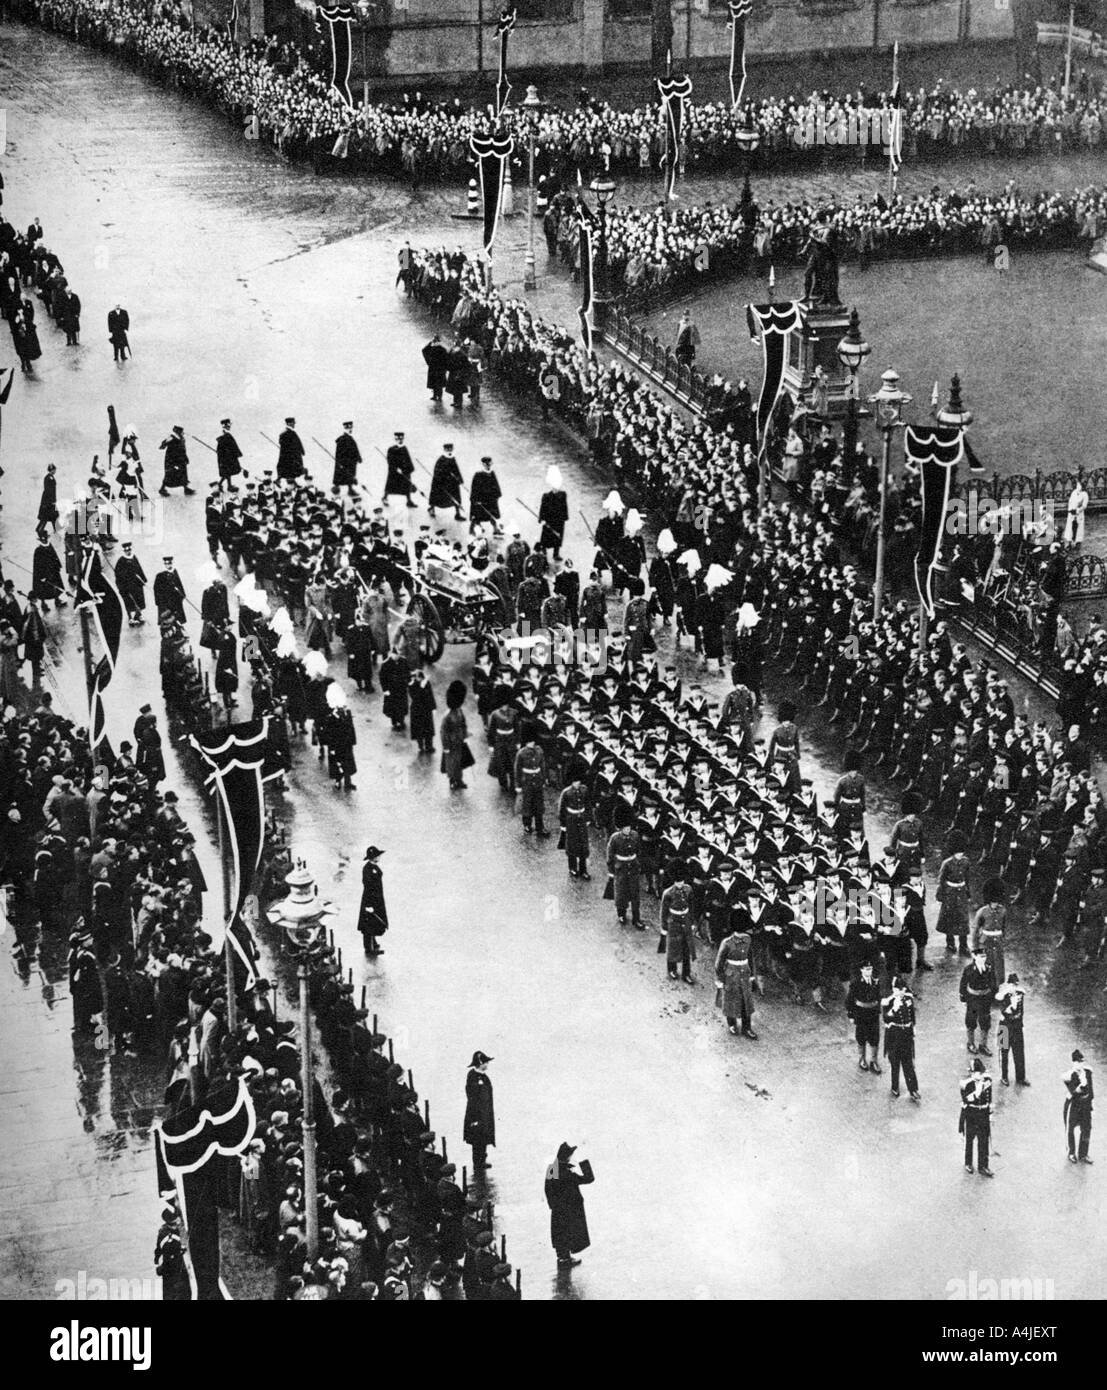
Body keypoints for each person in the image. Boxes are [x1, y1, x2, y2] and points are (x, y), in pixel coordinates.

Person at [544, 1142, 594, 1269]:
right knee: (568, 1233)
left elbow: (547, 1189)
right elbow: (588, 1179)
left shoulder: (552, 1169)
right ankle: (565, 1260)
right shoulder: (568, 1174)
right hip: (569, 1209)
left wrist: (553, 1205)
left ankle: (563, 1258)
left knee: (559, 1234)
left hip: (558, 1210)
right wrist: (583, 1163)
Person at [714, 925, 757, 1038]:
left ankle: (746, 1028)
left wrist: (752, 975)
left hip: (745, 974)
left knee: (746, 1001)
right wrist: (721, 978)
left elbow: (750, 957)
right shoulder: (727, 943)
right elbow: (718, 964)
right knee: (731, 1000)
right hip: (731, 975)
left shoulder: (748, 939)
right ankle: (732, 1024)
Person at [882, 976, 920, 1101]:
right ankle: (895, 1087)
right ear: (893, 989)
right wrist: (894, 1009)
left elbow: (911, 1014)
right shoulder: (888, 1002)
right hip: (894, 1035)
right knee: (895, 1063)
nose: (900, 992)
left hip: (906, 1034)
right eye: (898, 990)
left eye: (902, 989)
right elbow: (886, 1019)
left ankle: (913, 1089)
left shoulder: (908, 999)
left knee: (908, 1063)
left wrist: (913, 1026)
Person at [960, 1058, 995, 1176]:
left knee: (983, 1140)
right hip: (972, 1114)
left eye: (980, 1073)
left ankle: (983, 1166)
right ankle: (968, 1163)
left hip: (983, 1113)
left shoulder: (987, 1082)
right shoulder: (966, 1085)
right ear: (971, 1073)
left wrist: (990, 1114)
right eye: (976, 1073)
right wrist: (978, 1090)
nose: (978, 1075)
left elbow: (989, 1099)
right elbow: (967, 1099)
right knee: (970, 1139)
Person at [960, 947, 997, 1056]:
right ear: (974, 957)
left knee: (985, 1022)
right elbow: (963, 984)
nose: (983, 959)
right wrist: (963, 998)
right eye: (981, 957)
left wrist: (992, 995)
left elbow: (993, 981)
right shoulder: (969, 969)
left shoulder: (988, 968)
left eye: (984, 956)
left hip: (985, 998)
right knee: (971, 1021)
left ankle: (983, 1045)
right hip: (973, 998)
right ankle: (970, 1043)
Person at [846, 960, 881, 1072]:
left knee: (874, 1037)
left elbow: (879, 997)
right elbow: (849, 1001)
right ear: (861, 970)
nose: (868, 971)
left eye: (870, 969)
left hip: (873, 1014)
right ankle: (862, 1059)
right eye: (866, 969)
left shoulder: (875, 981)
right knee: (861, 1037)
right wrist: (851, 1015)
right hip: (861, 1014)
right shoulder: (856, 983)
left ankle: (874, 1061)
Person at [995, 973, 1029, 1087]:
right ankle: (1003, 1077)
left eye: (1016, 985)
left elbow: (1020, 1011)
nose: (1014, 987)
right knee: (1003, 1054)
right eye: (1012, 985)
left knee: (1019, 1053)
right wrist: (1009, 996)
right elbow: (1005, 1010)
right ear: (1008, 985)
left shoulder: (1020, 994)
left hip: (1017, 1026)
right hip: (1003, 1027)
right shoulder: (1003, 996)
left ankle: (1021, 1077)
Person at [463, 1051, 495, 1173]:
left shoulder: (484, 1077)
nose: (487, 1064)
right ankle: (478, 1163)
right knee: (477, 1139)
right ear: (480, 1063)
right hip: (476, 1115)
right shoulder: (472, 1076)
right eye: (486, 1062)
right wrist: (474, 1118)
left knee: (484, 1137)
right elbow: (472, 1098)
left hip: (485, 1114)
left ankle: (482, 1159)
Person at [514, 733, 549, 836]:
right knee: (527, 804)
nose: (532, 744)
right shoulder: (521, 753)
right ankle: (527, 825)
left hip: (537, 780)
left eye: (533, 742)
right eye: (529, 742)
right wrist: (518, 786)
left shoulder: (539, 750)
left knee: (539, 805)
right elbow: (517, 770)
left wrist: (544, 778)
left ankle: (540, 827)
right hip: (526, 782)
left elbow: (542, 765)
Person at [1064, 1049, 1094, 1164]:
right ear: (1073, 1063)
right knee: (1070, 1129)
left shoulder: (1088, 1072)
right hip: (1074, 1105)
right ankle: (1071, 1153)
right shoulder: (1071, 1075)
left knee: (1086, 1128)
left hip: (1085, 1105)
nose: (1080, 1064)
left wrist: (1090, 1103)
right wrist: (1082, 1085)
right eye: (1077, 1062)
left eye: (1081, 1062)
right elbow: (1073, 1092)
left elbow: (1091, 1091)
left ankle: (1083, 1154)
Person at [440, 679, 471, 790]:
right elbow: (443, 732)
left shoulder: (459, 711)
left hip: (459, 741)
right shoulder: (447, 716)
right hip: (451, 742)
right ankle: (452, 781)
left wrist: (465, 735)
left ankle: (459, 780)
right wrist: (446, 746)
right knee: (451, 764)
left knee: (459, 762)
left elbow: (463, 724)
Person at [357, 845, 388, 955]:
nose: (380, 857)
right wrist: (369, 905)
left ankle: (373, 943)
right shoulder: (368, 869)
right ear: (373, 857)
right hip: (370, 900)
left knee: (374, 922)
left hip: (377, 899)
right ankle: (369, 948)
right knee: (368, 924)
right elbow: (368, 886)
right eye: (378, 855)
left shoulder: (373, 867)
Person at [538, 466, 569, 558]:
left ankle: (556, 553)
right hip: (549, 520)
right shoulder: (546, 496)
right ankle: (543, 549)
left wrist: (564, 518)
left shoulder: (563, 495)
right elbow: (542, 508)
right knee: (546, 537)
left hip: (559, 521)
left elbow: (564, 507)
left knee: (558, 538)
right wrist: (541, 518)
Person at [429, 442, 464, 521]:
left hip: (452, 483)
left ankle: (457, 514)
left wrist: (459, 479)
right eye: (447, 449)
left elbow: (456, 469)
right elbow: (437, 471)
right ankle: (431, 508)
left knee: (456, 498)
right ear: (444, 449)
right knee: (437, 497)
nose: (449, 450)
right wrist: (444, 477)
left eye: (450, 449)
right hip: (442, 482)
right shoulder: (441, 460)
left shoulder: (452, 458)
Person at [469, 456, 502, 533]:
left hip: (491, 499)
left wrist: (497, 494)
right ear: (483, 464)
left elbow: (496, 484)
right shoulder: (478, 474)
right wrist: (476, 499)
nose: (488, 465)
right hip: (481, 499)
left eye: (489, 464)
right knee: (478, 515)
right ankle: (474, 528)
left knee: (492, 514)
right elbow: (474, 488)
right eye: (486, 464)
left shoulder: (492, 473)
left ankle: (495, 529)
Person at [158, 426, 194, 496]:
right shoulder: (172, 437)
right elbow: (162, 445)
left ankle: (186, 489)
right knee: (170, 474)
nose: (182, 432)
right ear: (176, 431)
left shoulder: (181, 438)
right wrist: (164, 443)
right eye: (180, 431)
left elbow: (183, 449)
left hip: (181, 459)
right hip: (172, 460)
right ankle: (162, 489)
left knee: (183, 473)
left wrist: (185, 457)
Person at [408, 668, 436, 754]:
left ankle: (429, 746)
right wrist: (421, 687)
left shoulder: (426, 683)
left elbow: (431, 695)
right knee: (419, 730)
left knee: (428, 729)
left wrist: (434, 707)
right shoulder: (412, 685)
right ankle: (420, 746)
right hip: (417, 710)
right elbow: (415, 697)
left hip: (426, 709)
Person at [384, 431, 416, 507]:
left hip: (405, 471)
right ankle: (384, 497)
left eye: (401, 439)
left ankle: (409, 501)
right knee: (391, 486)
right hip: (395, 472)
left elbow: (408, 459)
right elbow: (390, 460)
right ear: (395, 439)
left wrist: (410, 469)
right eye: (398, 439)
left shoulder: (404, 448)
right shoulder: (391, 449)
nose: (400, 440)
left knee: (407, 485)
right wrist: (395, 468)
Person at [153, 557, 187, 625]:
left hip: (175, 599)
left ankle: (179, 630)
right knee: (167, 618)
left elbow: (179, 584)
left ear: (172, 563)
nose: (168, 565)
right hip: (165, 601)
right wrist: (158, 601)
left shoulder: (174, 572)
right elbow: (156, 588)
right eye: (166, 564)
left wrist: (182, 594)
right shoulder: (160, 575)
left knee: (177, 616)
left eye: (169, 563)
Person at [334, 421, 361, 492]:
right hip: (345, 462)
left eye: (351, 428)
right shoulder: (342, 440)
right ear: (345, 429)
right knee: (342, 475)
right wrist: (340, 462)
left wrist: (358, 457)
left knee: (351, 475)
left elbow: (355, 449)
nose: (350, 430)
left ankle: (350, 489)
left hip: (351, 462)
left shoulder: (350, 438)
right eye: (348, 428)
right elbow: (339, 453)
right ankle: (336, 489)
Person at [216, 418, 243, 490]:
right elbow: (223, 446)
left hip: (228, 456)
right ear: (225, 425)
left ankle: (225, 485)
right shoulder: (224, 435)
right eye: (228, 425)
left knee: (228, 471)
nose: (230, 426)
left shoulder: (226, 433)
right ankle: (225, 485)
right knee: (227, 471)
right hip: (226, 456)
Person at [422, 334, 449, 402]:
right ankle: (439, 397)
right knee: (439, 383)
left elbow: (424, 350)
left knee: (434, 382)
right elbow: (447, 358)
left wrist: (429, 343)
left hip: (433, 368)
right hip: (441, 369)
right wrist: (445, 368)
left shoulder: (431, 348)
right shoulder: (443, 349)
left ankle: (434, 396)